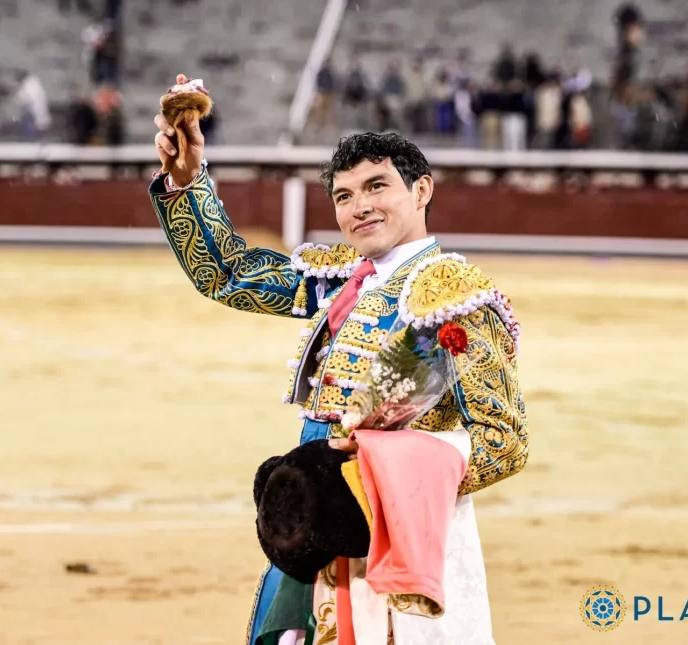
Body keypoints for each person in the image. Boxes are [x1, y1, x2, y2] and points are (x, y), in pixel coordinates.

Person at [150, 74, 530, 645]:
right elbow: (228, 274)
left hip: (394, 533)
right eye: (345, 196)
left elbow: (505, 440)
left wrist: (379, 470)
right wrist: (188, 181)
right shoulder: (337, 283)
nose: (360, 207)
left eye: (377, 187)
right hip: (315, 520)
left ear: (421, 190)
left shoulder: (457, 296)